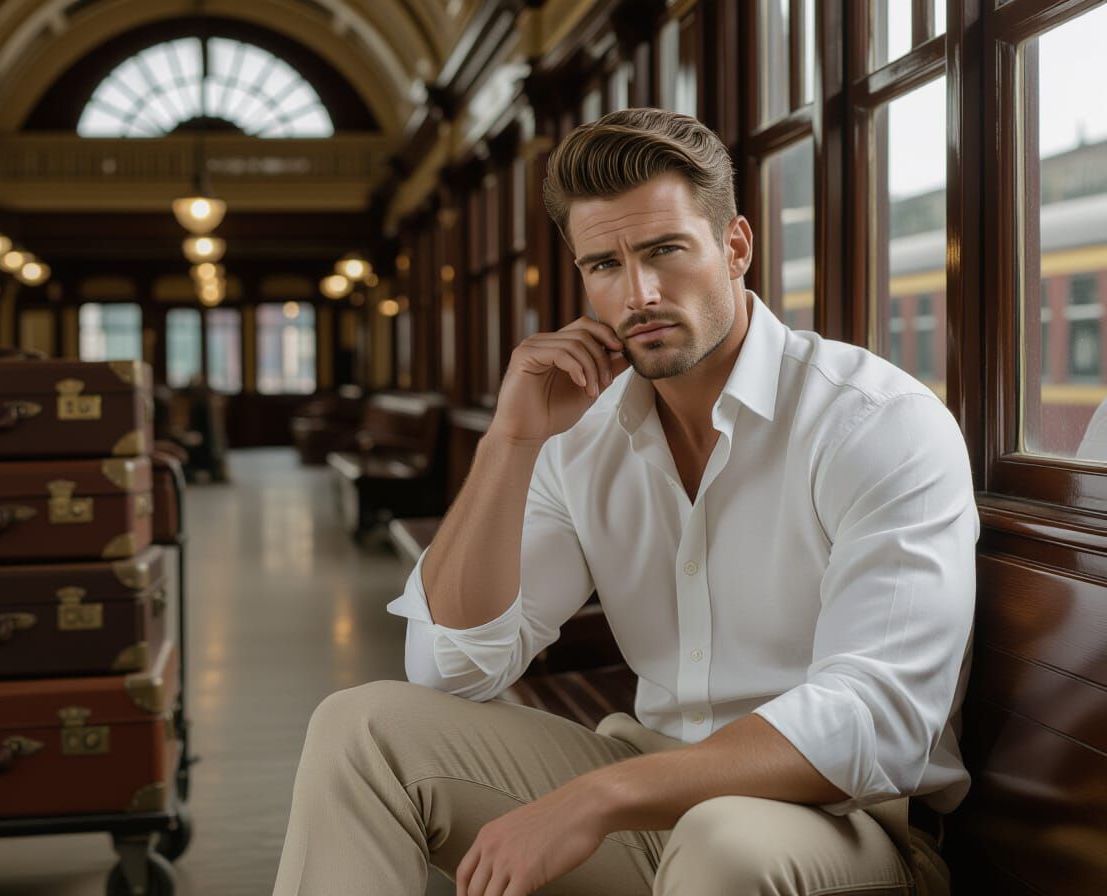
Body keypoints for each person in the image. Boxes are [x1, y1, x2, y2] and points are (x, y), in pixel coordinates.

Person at [272, 108, 978, 896]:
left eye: (665, 251)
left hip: (843, 824)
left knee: (723, 839)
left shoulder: (874, 422)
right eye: (604, 264)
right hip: (650, 789)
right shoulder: (582, 433)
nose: (638, 293)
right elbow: (449, 669)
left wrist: (600, 795)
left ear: (735, 245)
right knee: (359, 730)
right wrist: (510, 441)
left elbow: (876, 721)